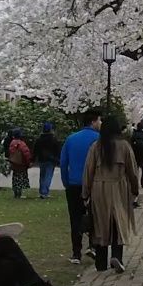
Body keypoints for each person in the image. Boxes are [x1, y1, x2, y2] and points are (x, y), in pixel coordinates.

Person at [83, 116, 139, 273]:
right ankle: (117, 256)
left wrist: (85, 193)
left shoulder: (96, 147)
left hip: (98, 189)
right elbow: (133, 171)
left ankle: (100, 263)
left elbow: (88, 171)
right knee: (117, 221)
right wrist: (135, 190)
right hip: (119, 187)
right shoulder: (124, 146)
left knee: (100, 223)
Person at [58, 110, 102, 264]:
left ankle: (76, 253)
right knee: (95, 215)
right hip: (94, 184)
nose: (100, 124)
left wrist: (66, 181)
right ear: (94, 121)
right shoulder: (99, 139)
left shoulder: (71, 139)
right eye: (99, 121)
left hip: (74, 184)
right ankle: (93, 245)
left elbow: (63, 163)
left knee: (75, 218)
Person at [31, 122, 60, 199]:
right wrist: (58, 159)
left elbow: (35, 150)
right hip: (51, 160)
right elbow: (57, 150)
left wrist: (33, 160)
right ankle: (45, 192)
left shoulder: (39, 139)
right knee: (48, 176)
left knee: (42, 176)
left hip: (41, 159)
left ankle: (42, 191)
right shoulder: (53, 139)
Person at [6, 128, 32, 199]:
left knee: (15, 178)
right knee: (21, 178)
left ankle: (16, 193)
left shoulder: (12, 143)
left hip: (14, 163)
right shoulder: (21, 143)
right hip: (21, 164)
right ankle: (19, 193)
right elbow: (26, 153)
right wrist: (28, 162)